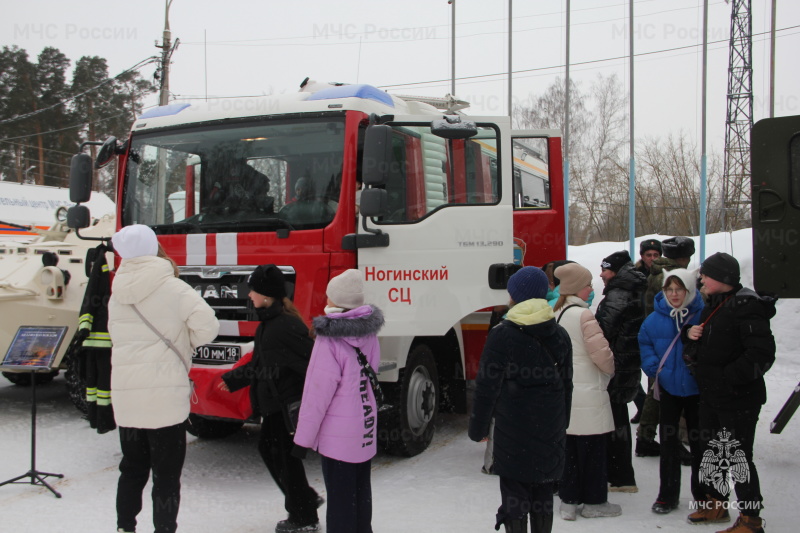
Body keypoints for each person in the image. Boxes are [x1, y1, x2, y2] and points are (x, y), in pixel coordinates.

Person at [107, 225, 219, 533]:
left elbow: (118, 337)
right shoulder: (174, 288)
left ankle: (124, 527)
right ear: (155, 247)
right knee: (167, 477)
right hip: (166, 399)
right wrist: (186, 341)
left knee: (131, 469)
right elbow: (208, 327)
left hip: (128, 397)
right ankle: (164, 529)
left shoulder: (118, 294)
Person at [469, 266, 573, 533]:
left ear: (515, 296)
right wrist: (563, 424)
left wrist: (478, 428)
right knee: (543, 494)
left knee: (514, 495)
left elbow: (486, 387)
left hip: (513, 430)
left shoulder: (502, 335)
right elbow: (567, 384)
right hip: (551, 428)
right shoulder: (559, 333)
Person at [218, 265, 321, 533]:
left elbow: (311, 361)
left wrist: (302, 395)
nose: (249, 295)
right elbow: (263, 363)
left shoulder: (283, 326)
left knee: (284, 457)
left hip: (284, 405)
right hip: (275, 404)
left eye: (253, 290)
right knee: (278, 454)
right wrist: (234, 378)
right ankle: (305, 502)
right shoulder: (270, 323)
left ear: (267, 294)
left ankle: (304, 516)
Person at [684, 253, 776, 532]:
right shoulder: (712, 304)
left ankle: (750, 519)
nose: (701, 279)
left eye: (706, 274)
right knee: (711, 451)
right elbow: (702, 347)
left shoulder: (747, 306)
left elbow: (761, 355)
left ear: (723, 277)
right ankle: (716, 503)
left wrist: (726, 379)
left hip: (738, 399)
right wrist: (691, 336)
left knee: (737, 456)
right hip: (711, 395)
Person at [292, 270, 385, 533]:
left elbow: (317, 395)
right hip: (364, 429)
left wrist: (303, 440)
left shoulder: (328, 339)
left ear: (334, 299)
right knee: (360, 497)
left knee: (340, 504)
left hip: (337, 438)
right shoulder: (369, 333)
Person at [552, 263, 620, 521]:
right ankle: (594, 502)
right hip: (588, 393)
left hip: (564, 393)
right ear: (578, 289)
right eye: (589, 284)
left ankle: (568, 502)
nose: (592, 289)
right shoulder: (583, 315)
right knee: (592, 450)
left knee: (569, 450)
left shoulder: (555, 313)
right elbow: (602, 355)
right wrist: (610, 370)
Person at [638, 269, 704, 515]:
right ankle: (667, 495)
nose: (674, 295)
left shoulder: (703, 314)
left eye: (679, 289)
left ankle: (703, 494)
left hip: (697, 390)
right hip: (668, 390)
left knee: (701, 444)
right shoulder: (654, 318)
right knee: (668, 444)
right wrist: (657, 370)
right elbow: (645, 343)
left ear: (690, 290)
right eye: (669, 289)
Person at [637, 236, 697, 460]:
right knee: (665, 391)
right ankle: (660, 440)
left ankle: (647, 437)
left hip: (658, 336)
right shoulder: (674, 277)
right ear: (685, 257)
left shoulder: (657, 273)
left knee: (658, 389)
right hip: (670, 337)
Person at [594, 250, 646, 493]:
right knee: (618, 417)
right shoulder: (631, 288)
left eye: (605, 269)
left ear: (614, 271)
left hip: (615, 366)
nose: (601, 274)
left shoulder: (618, 293)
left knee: (614, 419)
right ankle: (622, 475)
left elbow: (603, 330)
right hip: (626, 363)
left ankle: (621, 477)